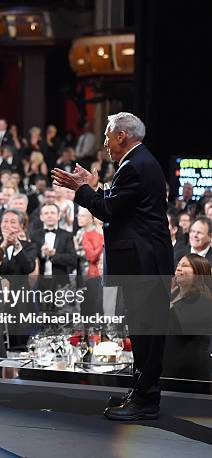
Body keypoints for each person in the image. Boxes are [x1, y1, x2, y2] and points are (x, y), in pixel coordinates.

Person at [52, 112, 173, 421]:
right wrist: (94, 185)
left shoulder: (135, 165)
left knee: (146, 332)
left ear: (122, 136)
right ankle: (141, 390)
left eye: (107, 136)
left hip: (143, 264)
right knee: (143, 331)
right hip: (146, 262)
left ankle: (146, 400)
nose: (104, 142)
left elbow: (108, 209)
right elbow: (121, 204)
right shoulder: (139, 162)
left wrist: (80, 190)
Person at [163, 254, 212, 381]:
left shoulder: (203, 299)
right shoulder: (174, 294)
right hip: (169, 367)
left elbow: (183, 327)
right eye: (178, 265)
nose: (178, 268)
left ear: (198, 273)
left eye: (184, 265)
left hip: (189, 373)